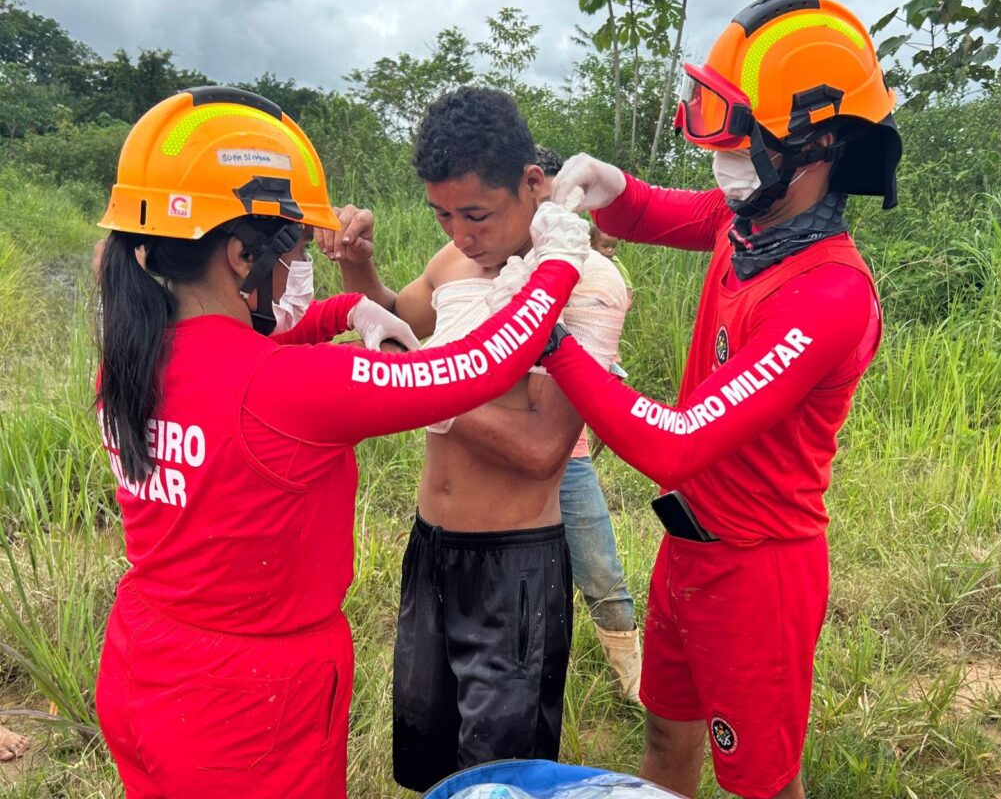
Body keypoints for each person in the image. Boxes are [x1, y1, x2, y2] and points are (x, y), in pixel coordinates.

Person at [92, 85, 590, 799]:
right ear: (240, 254)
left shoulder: (130, 356)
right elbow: (477, 367)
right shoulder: (286, 387)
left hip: (145, 665)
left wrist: (344, 307)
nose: (295, 268)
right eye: (294, 252)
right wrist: (559, 264)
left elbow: (242, 357)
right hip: (248, 706)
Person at [542, 0, 902, 799]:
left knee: (762, 783)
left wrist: (553, 342)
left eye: (741, 136)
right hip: (689, 548)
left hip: (758, 575)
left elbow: (674, 442)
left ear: (817, 143)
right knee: (666, 734)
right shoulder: (747, 223)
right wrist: (601, 181)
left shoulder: (828, 296)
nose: (723, 156)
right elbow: (648, 210)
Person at [322, 87, 629, 791]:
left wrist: (422, 390)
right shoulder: (453, 261)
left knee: (498, 777)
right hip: (431, 546)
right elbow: (399, 320)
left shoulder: (582, 280)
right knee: (428, 764)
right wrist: (357, 263)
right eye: (443, 214)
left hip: (512, 567)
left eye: (477, 215)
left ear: (532, 183)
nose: (461, 234)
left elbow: (544, 449)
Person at [538, 147, 642, 702]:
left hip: (566, 453)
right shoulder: (491, 262)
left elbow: (593, 367)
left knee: (600, 568)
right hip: (502, 454)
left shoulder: (596, 276)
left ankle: (633, 681)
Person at [588, 222, 633, 305]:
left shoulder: (614, 262)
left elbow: (627, 283)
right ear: (592, 245)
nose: (610, 250)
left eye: (613, 247)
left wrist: (628, 299)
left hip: (609, 300)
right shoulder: (588, 259)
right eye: (605, 246)